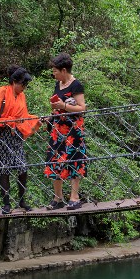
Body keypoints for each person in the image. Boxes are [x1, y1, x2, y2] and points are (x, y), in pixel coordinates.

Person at [0, 67, 38, 214]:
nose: (24, 87)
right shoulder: (3, 91)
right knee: (5, 168)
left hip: (16, 134)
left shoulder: (21, 95)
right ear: (14, 82)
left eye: (25, 85)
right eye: (22, 84)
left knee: (22, 167)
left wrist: (37, 120)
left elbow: (24, 115)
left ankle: (21, 200)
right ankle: (6, 203)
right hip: (4, 134)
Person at [45, 54, 88, 210]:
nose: (54, 74)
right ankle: (58, 198)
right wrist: (51, 115)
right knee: (54, 159)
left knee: (74, 159)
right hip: (58, 129)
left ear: (64, 70)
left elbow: (82, 108)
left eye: (55, 71)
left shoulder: (76, 85)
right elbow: (58, 105)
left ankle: (74, 197)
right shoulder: (58, 84)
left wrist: (62, 106)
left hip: (73, 129)